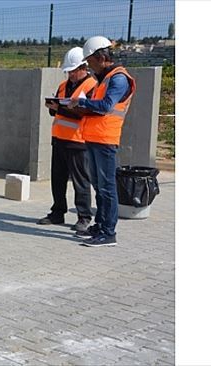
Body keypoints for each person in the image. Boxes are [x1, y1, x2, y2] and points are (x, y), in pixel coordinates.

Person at [67, 36, 136, 247]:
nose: (89, 66)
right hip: (94, 137)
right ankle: (100, 225)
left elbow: (106, 106)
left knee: (107, 188)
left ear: (101, 56)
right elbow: (97, 107)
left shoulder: (118, 78)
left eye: (90, 61)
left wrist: (82, 102)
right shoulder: (104, 79)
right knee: (99, 185)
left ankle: (108, 232)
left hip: (105, 140)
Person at [37, 47, 97, 232]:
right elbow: (58, 109)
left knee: (81, 181)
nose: (70, 74)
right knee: (58, 179)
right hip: (60, 139)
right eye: (68, 71)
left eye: (73, 71)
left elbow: (85, 113)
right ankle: (57, 213)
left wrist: (60, 109)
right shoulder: (63, 86)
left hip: (78, 142)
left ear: (83, 68)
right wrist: (53, 107)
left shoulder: (91, 86)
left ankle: (84, 216)